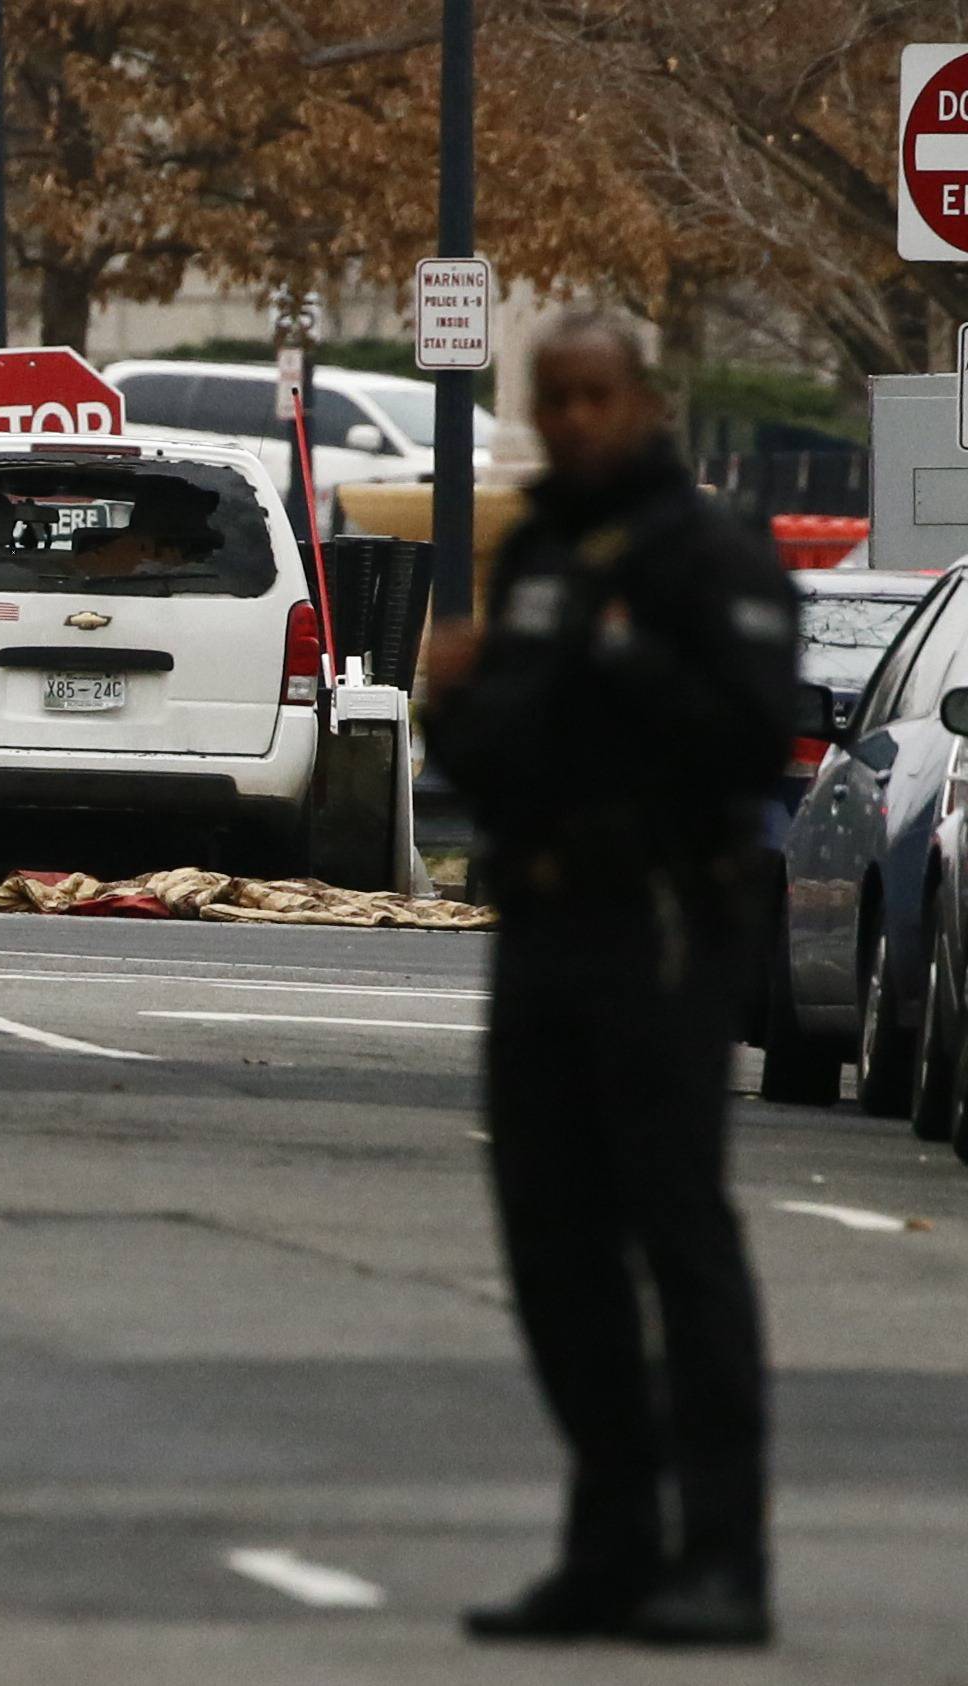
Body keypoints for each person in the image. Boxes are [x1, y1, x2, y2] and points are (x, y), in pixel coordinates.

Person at [424, 314, 796, 1649]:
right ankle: (613, 1541)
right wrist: (450, 706)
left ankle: (723, 1553)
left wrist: (622, 655)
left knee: (673, 1228)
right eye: (554, 397)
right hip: (541, 923)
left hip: (665, 921)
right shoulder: (533, 553)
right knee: (552, 1241)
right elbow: (491, 748)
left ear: (642, 400)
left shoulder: (708, 554)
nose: (575, 419)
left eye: (596, 395)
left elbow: (753, 734)